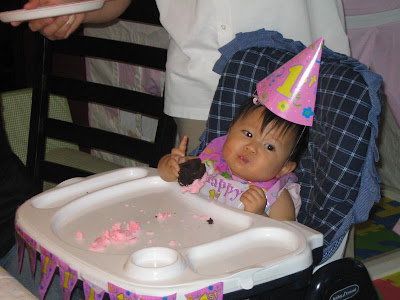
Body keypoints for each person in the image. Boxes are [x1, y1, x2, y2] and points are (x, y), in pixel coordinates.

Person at [12, 0, 351, 153]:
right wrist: (74, 7)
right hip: (201, 89)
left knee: (321, 237)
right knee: (205, 229)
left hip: (313, 78)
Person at [158, 98, 307, 220]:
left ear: (284, 168)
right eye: (248, 134)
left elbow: (285, 241)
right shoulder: (209, 165)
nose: (251, 147)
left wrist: (260, 215)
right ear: (229, 132)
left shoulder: (276, 196)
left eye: (269, 146)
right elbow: (166, 177)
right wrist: (170, 165)